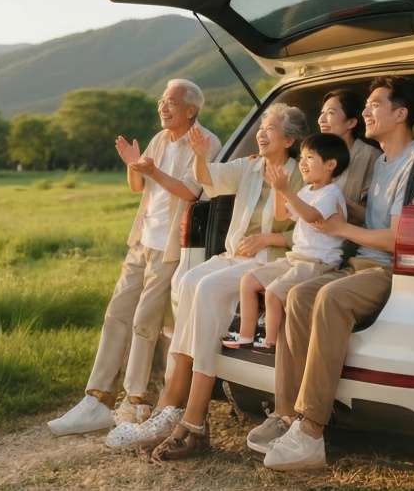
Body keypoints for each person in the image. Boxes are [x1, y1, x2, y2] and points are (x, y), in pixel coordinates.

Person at [102, 103, 307, 453]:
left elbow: (312, 230)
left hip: (274, 260)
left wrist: (270, 238)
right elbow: (208, 180)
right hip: (235, 256)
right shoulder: (250, 166)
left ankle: (188, 416)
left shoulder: (299, 173)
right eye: (260, 126)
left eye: (269, 128)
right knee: (189, 281)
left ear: (288, 140)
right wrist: (199, 155)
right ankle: (173, 409)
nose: (260, 132)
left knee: (208, 287)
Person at [253, 76, 414, 471]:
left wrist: (342, 229)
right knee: (298, 295)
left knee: (329, 297)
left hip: (386, 269)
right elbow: (374, 218)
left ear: (401, 114)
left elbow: (399, 238)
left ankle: (311, 431)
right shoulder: (382, 163)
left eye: (375, 105)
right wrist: (341, 207)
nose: (366, 111)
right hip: (360, 261)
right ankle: (286, 416)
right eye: (365, 105)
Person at [47, 80, 220, 436]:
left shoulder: (205, 142)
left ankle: (136, 401)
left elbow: (191, 192)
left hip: (170, 246)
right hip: (142, 240)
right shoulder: (159, 139)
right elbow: (139, 187)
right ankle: (97, 399)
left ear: (191, 109)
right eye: (161, 101)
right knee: (116, 313)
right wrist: (132, 165)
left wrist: (152, 170)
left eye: (170, 102)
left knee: (145, 320)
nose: (163, 106)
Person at [233, 133, 351, 359]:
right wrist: (278, 189)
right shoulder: (307, 191)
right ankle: (245, 338)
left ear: (330, 164)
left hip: (318, 263)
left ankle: (270, 344)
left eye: (309, 158)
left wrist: (285, 190)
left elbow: (311, 216)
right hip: (296, 258)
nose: (303, 163)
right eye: (303, 157)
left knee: (274, 293)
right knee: (249, 280)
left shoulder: (331, 193)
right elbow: (281, 214)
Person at [316, 89, 380, 224]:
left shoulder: (371, 157)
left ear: (351, 122)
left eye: (330, 113)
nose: (321, 120)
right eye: (322, 113)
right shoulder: (314, 156)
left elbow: (375, 215)